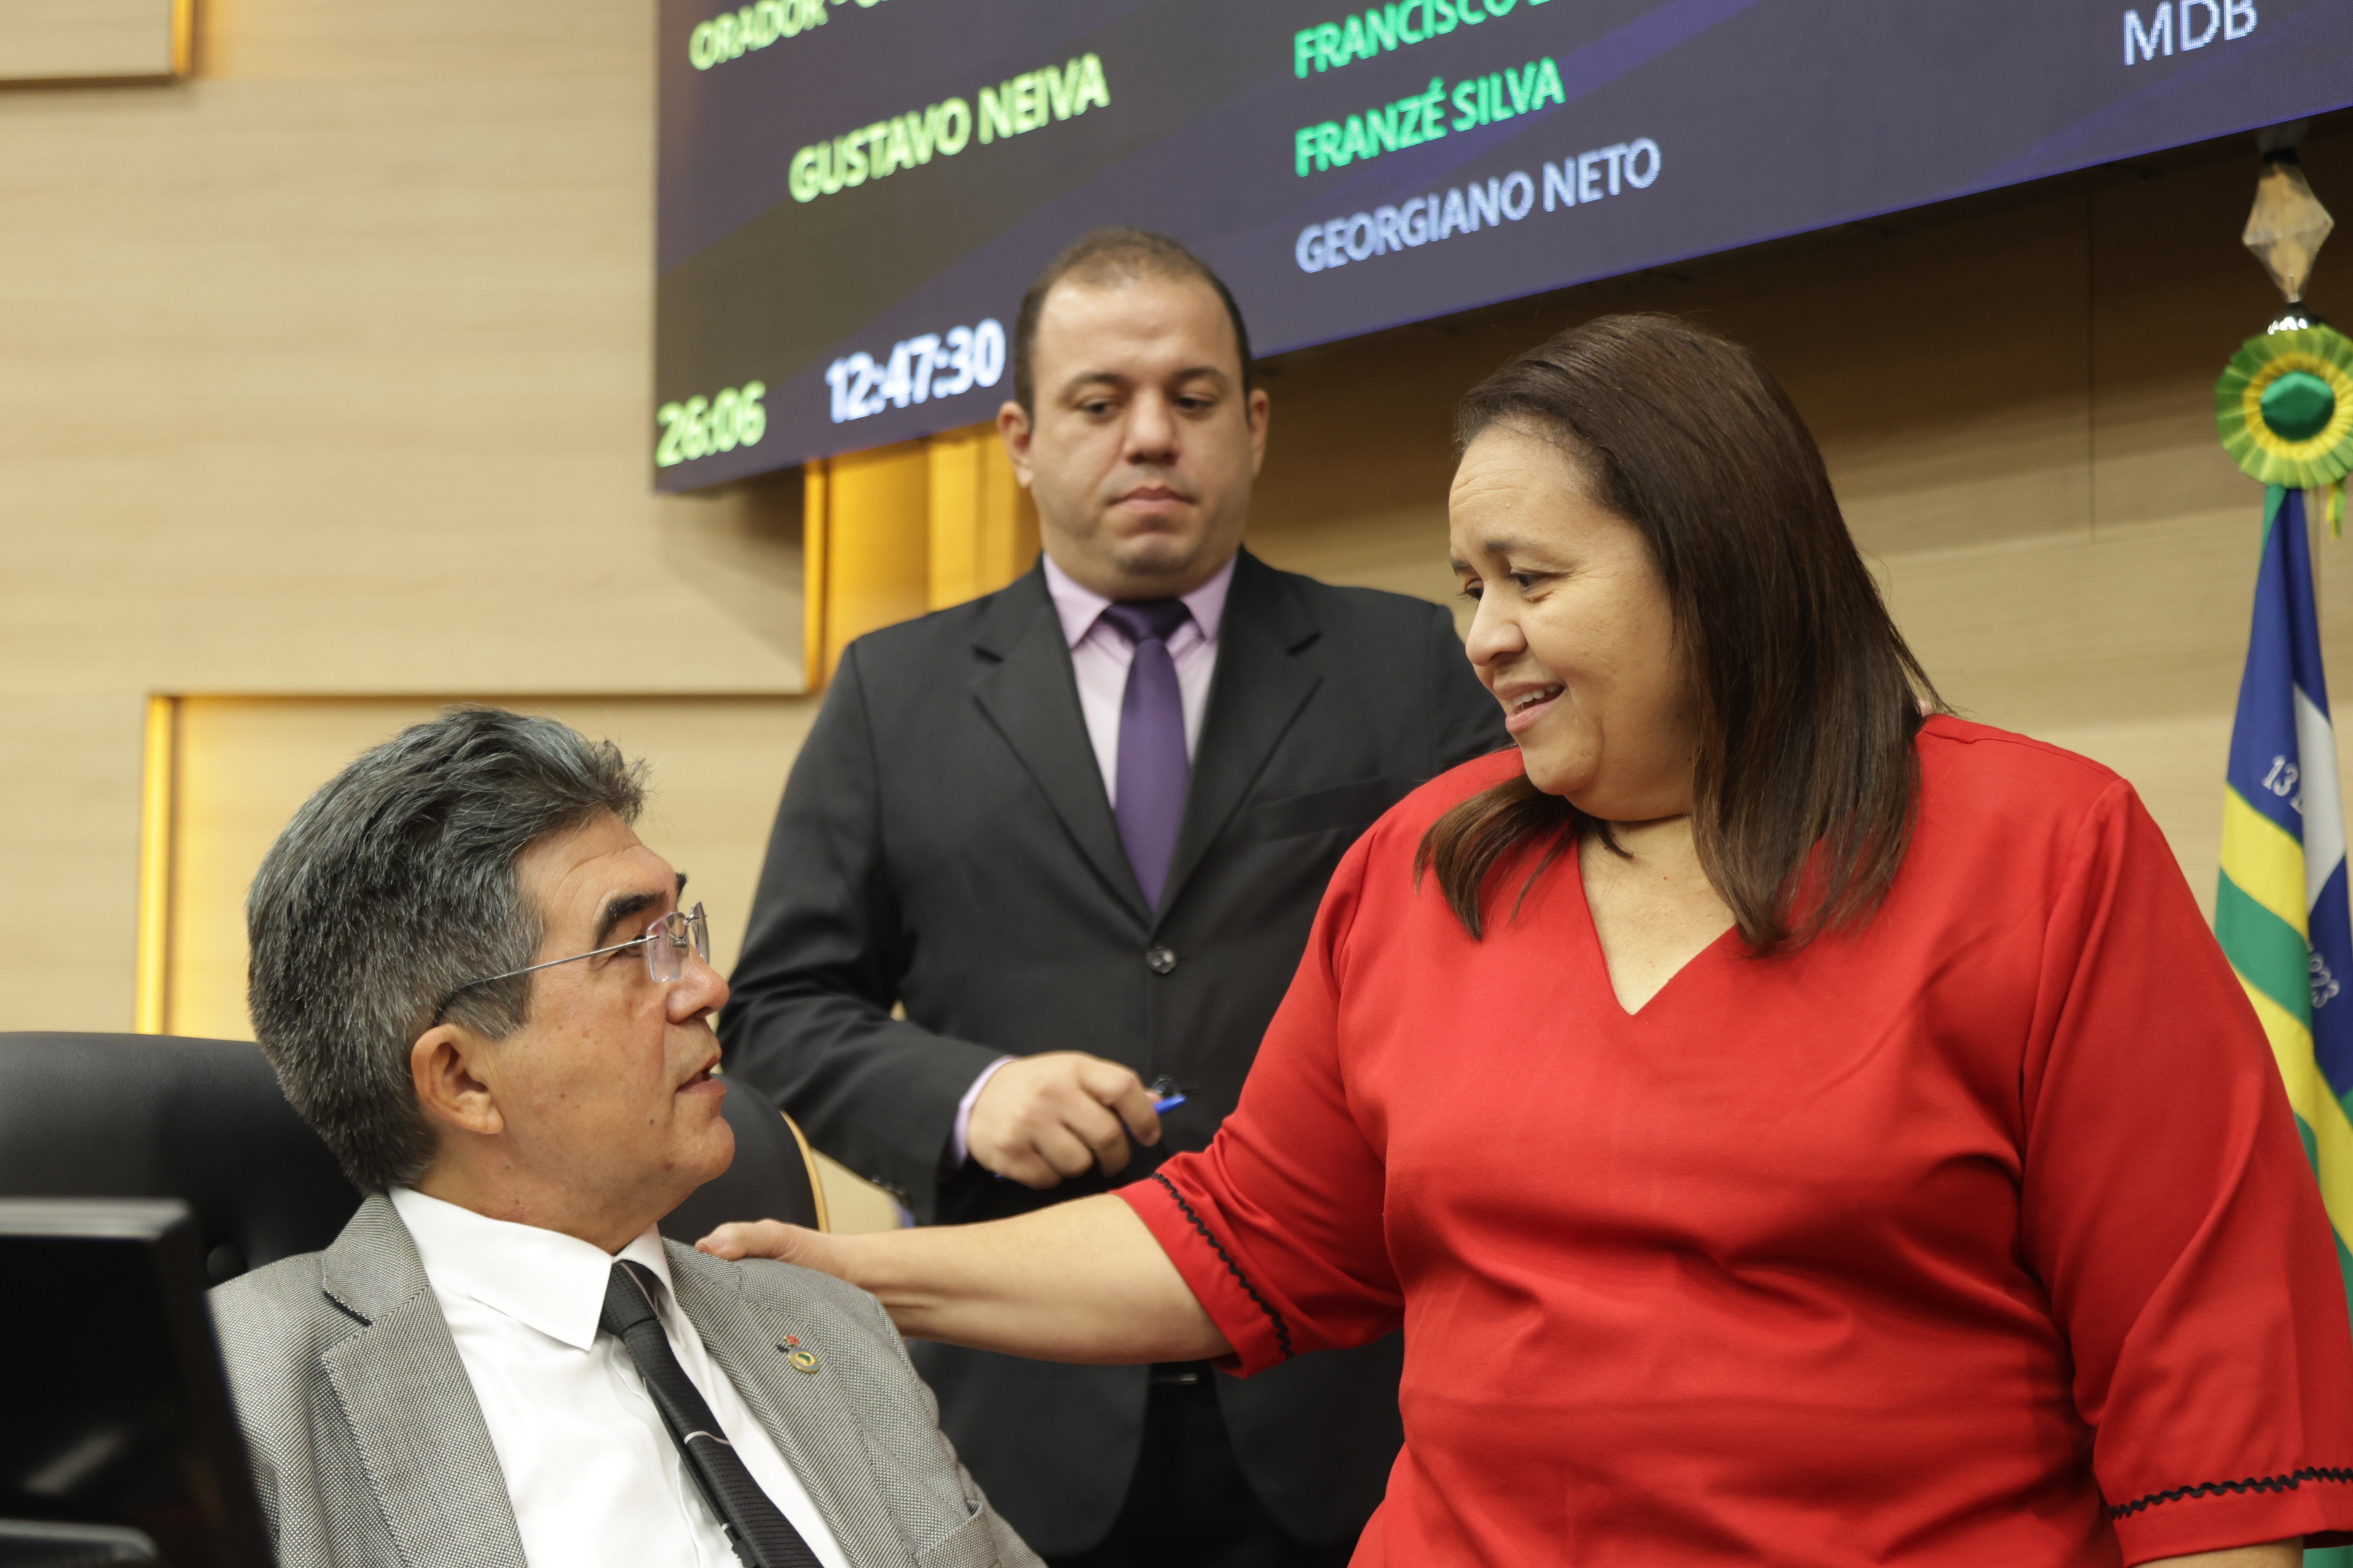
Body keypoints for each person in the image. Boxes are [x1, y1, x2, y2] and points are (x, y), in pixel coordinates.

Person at [704, 313, 2353, 1567]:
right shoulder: (1423, 868)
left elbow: (2213, 1408)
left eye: (1531, 579)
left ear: (1716, 563)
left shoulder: (2044, 854)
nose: (1483, 636)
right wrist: (847, 1279)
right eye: (1467, 585)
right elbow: (1246, 1238)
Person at [718, 228, 1505, 1565]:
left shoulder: (1413, 665)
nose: (1151, 436)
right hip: (1015, 1423)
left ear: (1254, 426)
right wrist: (970, 1097)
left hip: (1342, 1414)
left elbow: (1507, 979)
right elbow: (780, 1008)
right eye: (1100, 402)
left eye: (1193, 398)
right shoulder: (894, 694)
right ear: (1021, 439)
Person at [209, 708, 1040, 1568]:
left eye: (679, 932)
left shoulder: (831, 1327)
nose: (708, 986)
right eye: (634, 949)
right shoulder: (239, 1396)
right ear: (462, 1079)